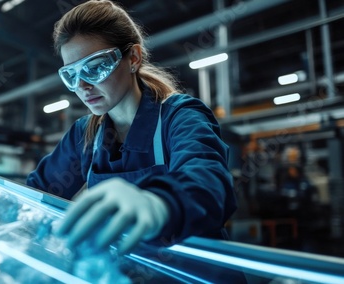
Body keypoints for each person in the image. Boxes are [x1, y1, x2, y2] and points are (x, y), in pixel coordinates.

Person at [26, 0, 237, 255]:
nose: (83, 86)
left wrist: (158, 203)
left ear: (133, 58)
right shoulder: (86, 135)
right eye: (72, 75)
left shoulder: (179, 116)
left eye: (95, 68)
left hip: (195, 274)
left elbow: (209, 183)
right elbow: (37, 192)